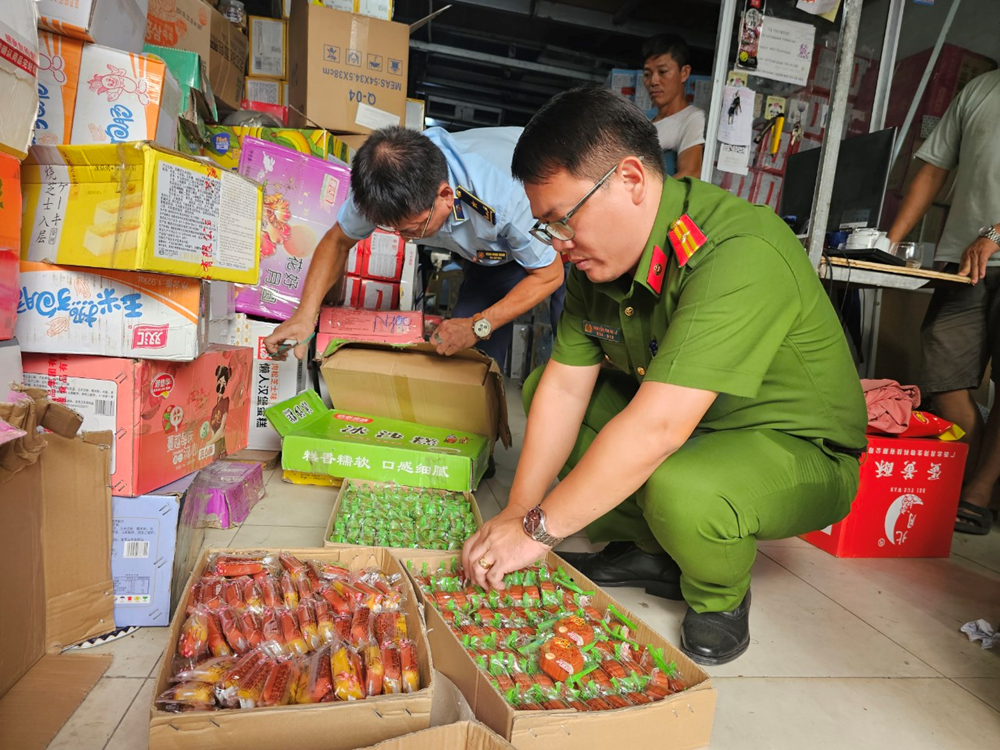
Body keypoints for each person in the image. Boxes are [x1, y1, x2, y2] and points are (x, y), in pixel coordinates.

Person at [461, 86, 867, 666]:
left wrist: (535, 533)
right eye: (548, 228)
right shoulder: (591, 261)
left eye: (562, 220)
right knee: (547, 394)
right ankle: (649, 549)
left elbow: (659, 429)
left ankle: (719, 594)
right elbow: (564, 387)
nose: (560, 243)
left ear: (630, 179)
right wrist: (517, 509)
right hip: (692, 427)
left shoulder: (737, 248)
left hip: (792, 446)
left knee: (680, 484)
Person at [262, 126, 565, 365]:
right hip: (489, 257)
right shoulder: (379, 187)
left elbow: (548, 275)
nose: (404, 239)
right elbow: (337, 241)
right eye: (393, 229)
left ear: (446, 196)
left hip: (556, 239)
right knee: (466, 357)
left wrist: (476, 326)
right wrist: (304, 315)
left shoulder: (506, 194)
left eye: (412, 230)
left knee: (568, 338)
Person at [887, 69, 1000, 535]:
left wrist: (995, 234)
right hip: (962, 260)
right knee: (943, 375)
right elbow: (932, 170)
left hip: (990, 245)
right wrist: (888, 243)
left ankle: (978, 492)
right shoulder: (980, 89)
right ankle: (967, 479)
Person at [641, 34, 705, 180]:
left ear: (684, 73)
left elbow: (690, 174)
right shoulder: (647, 125)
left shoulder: (692, 119)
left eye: (662, 71)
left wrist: (648, 197)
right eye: (647, 74)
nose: (653, 81)